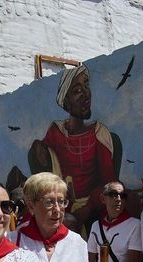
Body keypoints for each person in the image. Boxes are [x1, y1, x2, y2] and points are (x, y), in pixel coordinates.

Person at [28, 65, 120, 226]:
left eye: (87, 85)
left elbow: (108, 182)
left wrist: (89, 207)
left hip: (93, 209)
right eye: (77, 91)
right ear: (66, 101)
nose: (86, 94)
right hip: (62, 206)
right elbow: (43, 160)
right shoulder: (56, 131)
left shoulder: (99, 133)